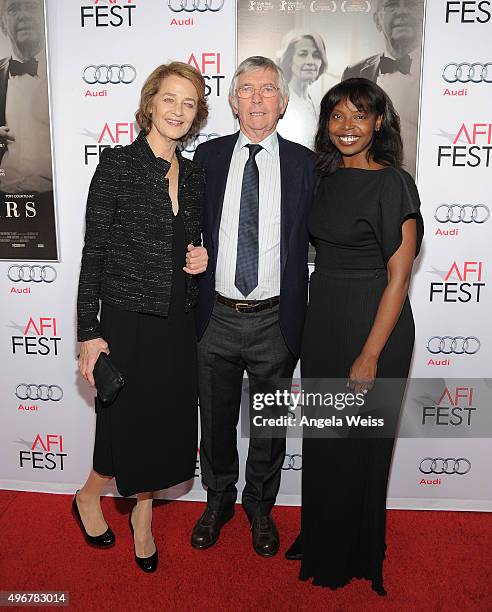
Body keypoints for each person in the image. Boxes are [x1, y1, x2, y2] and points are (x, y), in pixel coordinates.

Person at [285, 78, 423, 595]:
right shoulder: (322, 178)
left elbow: (400, 277)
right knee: (325, 437)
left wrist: (369, 353)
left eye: (359, 116)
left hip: (375, 319)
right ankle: (321, 533)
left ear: (378, 123)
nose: (347, 127)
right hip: (324, 318)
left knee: (361, 442)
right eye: (337, 116)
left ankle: (354, 549)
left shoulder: (394, 184)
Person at [75, 62, 209, 573]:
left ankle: (134, 512)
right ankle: (106, 503)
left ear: (197, 115)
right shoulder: (118, 165)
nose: (177, 111)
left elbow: (189, 243)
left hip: (177, 319)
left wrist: (199, 259)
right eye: (169, 99)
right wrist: (90, 333)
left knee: (158, 423)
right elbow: (95, 253)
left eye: (189, 103)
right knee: (124, 420)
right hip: (127, 318)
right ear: (150, 103)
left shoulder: (194, 174)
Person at [190, 56, 316, 557]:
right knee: (215, 423)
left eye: (268, 90)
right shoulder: (208, 158)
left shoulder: (306, 164)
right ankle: (218, 501)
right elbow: (183, 224)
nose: (258, 98)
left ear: (283, 103)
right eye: (247, 89)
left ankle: (259, 507)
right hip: (215, 316)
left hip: (275, 321)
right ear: (232, 100)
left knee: (268, 427)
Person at [342, 0, 424, 175]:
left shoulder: (440, 72)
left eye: (410, 5)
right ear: (377, 21)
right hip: (368, 187)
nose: (402, 12)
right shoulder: (355, 72)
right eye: (392, 6)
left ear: (423, 16)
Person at [0, 0, 56, 257]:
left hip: (54, 206)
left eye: (31, 7)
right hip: (5, 205)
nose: (22, 16)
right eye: (13, 9)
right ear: (2, 24)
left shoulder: (63, 73)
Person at [276, 31, 327, 150]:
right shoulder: (279, 100)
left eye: (316, 55)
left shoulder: (317, 99)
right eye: (303, 54)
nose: (310, 62)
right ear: (289, 60)